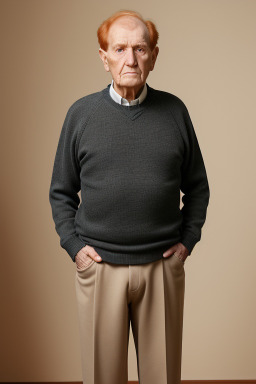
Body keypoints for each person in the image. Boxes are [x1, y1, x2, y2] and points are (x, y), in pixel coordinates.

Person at [49, 9, 210, 384]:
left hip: (162, 266)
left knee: (163, 377)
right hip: (100, 266)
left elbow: (198, 186)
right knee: (103, 377)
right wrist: (74, 246)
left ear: (154, 55)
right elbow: (61, 191)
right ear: (103, 58)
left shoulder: (175, 111)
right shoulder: (81, 115)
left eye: (140, 48)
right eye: (119, 49)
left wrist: (187, 242)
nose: (131, 59)